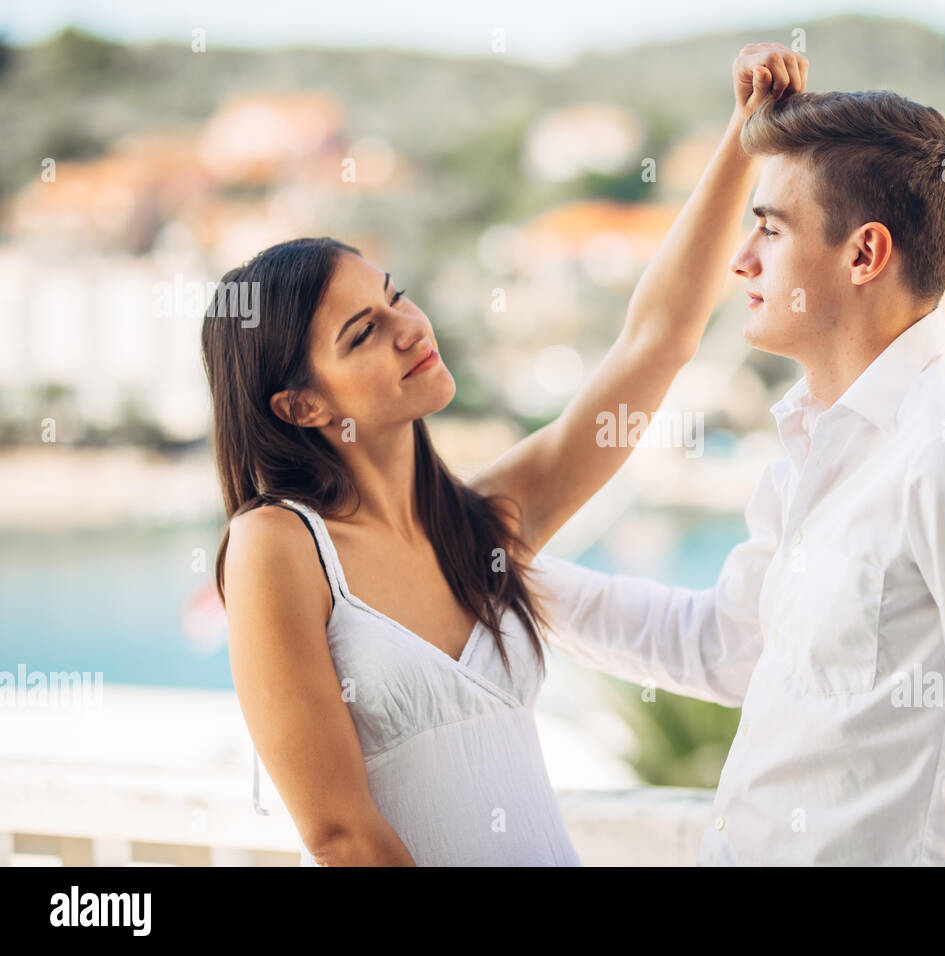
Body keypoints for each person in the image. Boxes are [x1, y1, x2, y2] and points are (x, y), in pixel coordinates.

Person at [203, 42, 808, 866]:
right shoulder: (279, 546)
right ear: (301, 406)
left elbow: (656, 343)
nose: (409, 328)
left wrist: (743, 136)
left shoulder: (480, 524)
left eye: (396, 297)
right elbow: (342, 836)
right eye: (363, 334)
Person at [531, 89, 945, 865]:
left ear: (863, 254)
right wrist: (500, 575)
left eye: (771, 229)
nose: (741, 257)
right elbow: (727, 647)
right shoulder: (814, 443)